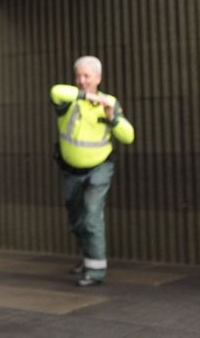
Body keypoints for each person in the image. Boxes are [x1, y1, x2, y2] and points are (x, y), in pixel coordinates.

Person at [50, 56, 135, 286]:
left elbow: (128, 136)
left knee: (91, 215)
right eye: (78, 75)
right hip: (71, 171)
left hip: (99, 168)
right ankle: (87, 257)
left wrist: (112, 117)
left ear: (98, 78)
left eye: (87, 76)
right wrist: (89, 97)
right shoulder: (70, 100)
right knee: (76, 219)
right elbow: (56, 91)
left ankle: (96, 270)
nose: (81, 80)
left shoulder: (109, 102)